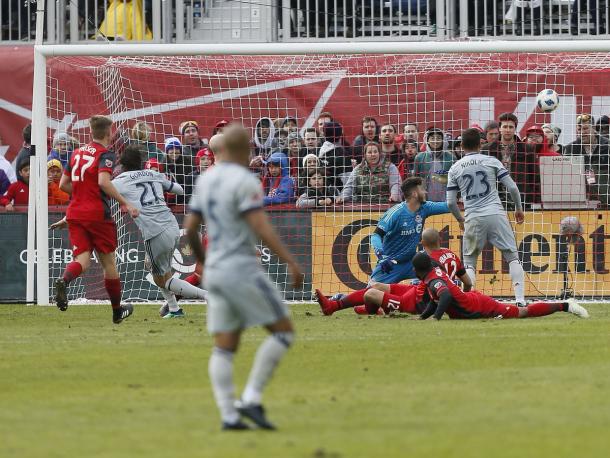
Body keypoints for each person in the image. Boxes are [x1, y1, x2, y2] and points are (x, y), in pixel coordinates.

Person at [185, 122, 304, 430]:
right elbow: (261, 227)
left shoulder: (206, 180)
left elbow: (190, 229)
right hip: (241, 268)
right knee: (283, 332)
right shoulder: (245, 180)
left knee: (224, 345)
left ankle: (228, 415)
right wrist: (291, 261)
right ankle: (251, 399)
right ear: (245, 150)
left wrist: (203, 263)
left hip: (217, 271)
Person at [49, 115, 139, 324]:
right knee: (109, 263)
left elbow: (63, 184)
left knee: (82, 259)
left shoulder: (77, 152)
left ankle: (64, 280)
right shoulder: (105, 154)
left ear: (91, 131)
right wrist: (125, 203)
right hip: (97, 214)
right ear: (108, 132)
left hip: (75, 213)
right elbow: (104, 182)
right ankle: (117, 311)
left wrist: (82, 196)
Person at [112, 145, 208, 318]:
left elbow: (103, 189)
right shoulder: (154, 174)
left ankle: (207, 296)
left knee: (161, 278)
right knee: (157, 268)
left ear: (122, 164)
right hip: (171, 225)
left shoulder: (120, 180)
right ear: (140, 162)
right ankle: (174, 309)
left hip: (155, 232)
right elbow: (178, 189)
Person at [446, 128, 527, 306]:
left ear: (461, 145)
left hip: (473, 216)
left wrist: (460, 219)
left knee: (469, 262)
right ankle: (520, 300)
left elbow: (451, 202)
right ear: (480, 143)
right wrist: (518, 208)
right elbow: (512, 188)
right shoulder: (491, 161)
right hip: (496, 213)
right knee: (512, 256)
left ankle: (470, 302)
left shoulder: (455, 168)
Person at [316, 227, 471, 316]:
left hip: (418, 303)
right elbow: (468, 283)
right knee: (376, 285)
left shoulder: (428, 260)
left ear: (422, 243)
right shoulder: (451, 255)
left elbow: (433, 285)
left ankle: (370, 309)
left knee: (370, 293)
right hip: (418, 292)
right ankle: (335, 306)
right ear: (440, 241)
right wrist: (460, 300)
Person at [412, 251, 589, 320]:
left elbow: (445, 296)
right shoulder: (432, 273)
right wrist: (422, 317)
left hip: (479, 306)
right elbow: (436, 300)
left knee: (522, 312)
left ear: (418, 270)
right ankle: (565, 305)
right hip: (471, 301)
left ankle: (566, 305)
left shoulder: (434, 280)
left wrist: (435, 318)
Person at [366, 176, 449, 285]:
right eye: (422, 189)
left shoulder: (425, 207)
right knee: (369, 296)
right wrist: (381, 256)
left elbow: (449, 206)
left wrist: (450, 183)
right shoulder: (396, 213)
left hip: (412, 262)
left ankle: (417, 285)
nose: (426, 191)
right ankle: (339, 299)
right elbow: (376, 235)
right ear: (414, 194)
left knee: (438, 273)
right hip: (391, 263)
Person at [483, 112, 538, 209]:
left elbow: (534, 176)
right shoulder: (487, 149)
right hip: (494, 200)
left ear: (515, 129)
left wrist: (535, 199)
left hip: (521, 200)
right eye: (505, 127)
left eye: (511, 127)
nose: (507, 130)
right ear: (500, 129)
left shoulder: (527, 149)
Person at [563, 113, 610, 207]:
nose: (582, 132)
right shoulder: (571, 148)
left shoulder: (607, 146)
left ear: (594, 129)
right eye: (579, 129)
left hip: (606, 199)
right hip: (580, 200)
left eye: (585, 129)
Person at [337, 142, 401, 204]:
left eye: (375, 152)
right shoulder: (358, 168)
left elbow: (395, 184)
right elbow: (349, 187)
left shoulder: (390, 167)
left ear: (379, 153)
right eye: (369, 152)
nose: (373, 154)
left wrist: (394, 195)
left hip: (385, 205)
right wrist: (343, 197)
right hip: (362, 206)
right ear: (365, 155)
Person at [414, 128, 455, 202]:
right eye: (432, 138)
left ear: (443, 140)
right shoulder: (420, 157)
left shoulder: (451, 158)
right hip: (425, 200)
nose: (435, 141)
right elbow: (415, 179)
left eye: (439, 138)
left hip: (446, 200)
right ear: (427, 141)